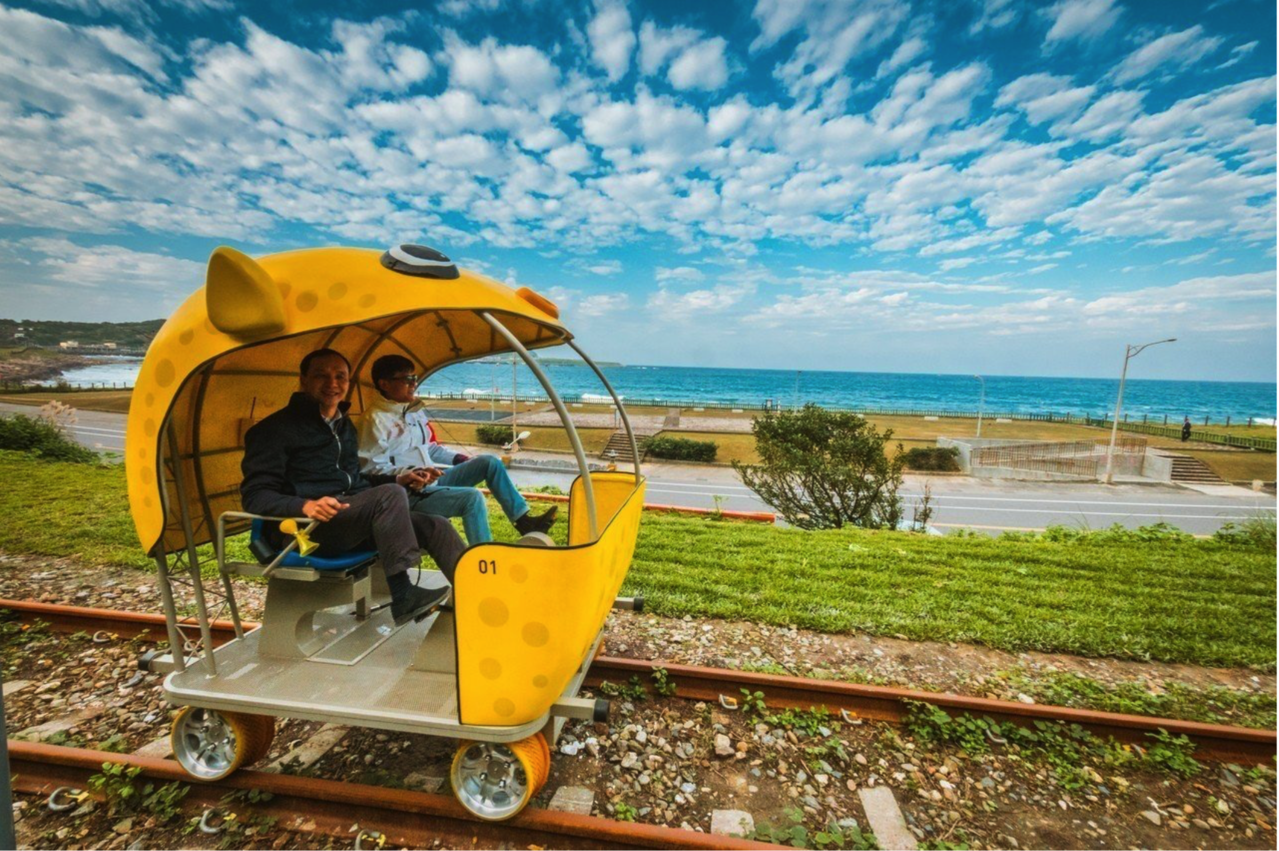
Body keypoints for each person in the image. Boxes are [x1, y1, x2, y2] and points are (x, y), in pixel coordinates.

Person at [240, 348, 463, 625]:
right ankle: (403, 593)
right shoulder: (274, 430)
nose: (332, 384)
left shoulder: (342, 427)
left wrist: (397, 479)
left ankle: (474, 597)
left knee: (436, 525)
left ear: (348, 382)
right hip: (306, 530)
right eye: (321, 375)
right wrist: (305, 505)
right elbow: (255, 495)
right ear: (303, 380)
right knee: (390, 496)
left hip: (350, 517)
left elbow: (355, 481)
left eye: (340, 376)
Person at [357, 354, 557, 545]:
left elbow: (430, 449)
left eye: (415, 378)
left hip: (432, 481)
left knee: (489, 461)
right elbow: (371, 468)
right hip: (407, 494)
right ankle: (483, 560)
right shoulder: (374, 419)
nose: (414, 383)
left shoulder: (412, 412)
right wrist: (410, 474)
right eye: (407, 379)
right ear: (384, 384)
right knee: (472, 497)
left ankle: (523, 521)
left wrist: (460, 459)